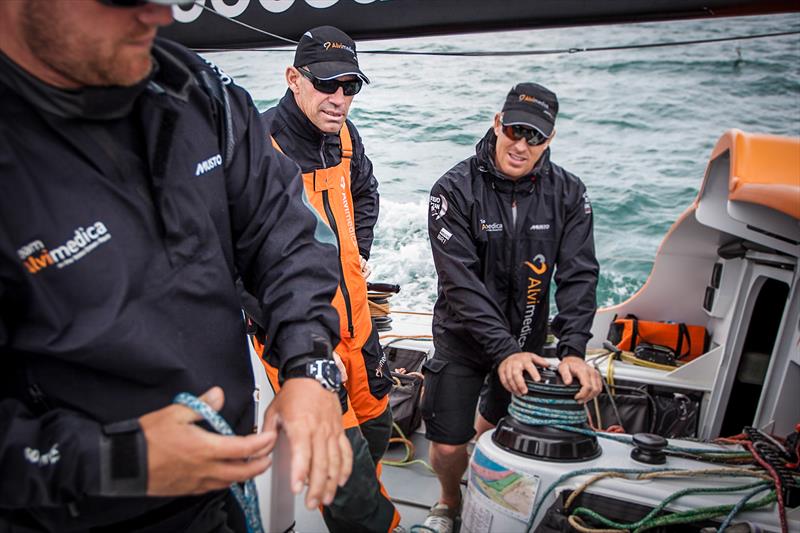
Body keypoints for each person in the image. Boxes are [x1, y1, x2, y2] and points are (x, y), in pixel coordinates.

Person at [0, 2, 352, 532]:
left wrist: (310, 366)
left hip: (219, 491)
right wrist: (117, 460)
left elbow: (284, 235)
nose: (158, 14)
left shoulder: (196, 90)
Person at [422, 83, 604, 532]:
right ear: (497, 123)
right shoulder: (452, 189)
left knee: (495, 437)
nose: (521, 146)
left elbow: (579, 276)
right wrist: (503, 352)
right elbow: (459, 284)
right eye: (515, 131)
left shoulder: (569, 193)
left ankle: (483, 486)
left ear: (551, 138)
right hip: (462, 340)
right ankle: (448, 502)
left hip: (528, 338)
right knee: (449, 447)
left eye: (535, 137)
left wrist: (574, 351)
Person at [251, 25, 401, 533]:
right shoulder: (258, 147)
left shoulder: (346, 138)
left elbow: (366, 194)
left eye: (351, 86)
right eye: (326, 83)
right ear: (294, 78)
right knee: (348, 479)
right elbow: (233, 254)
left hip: (358, 324)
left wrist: (353, 259)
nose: (339, 98)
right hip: (301, 338)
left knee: (378, 425)